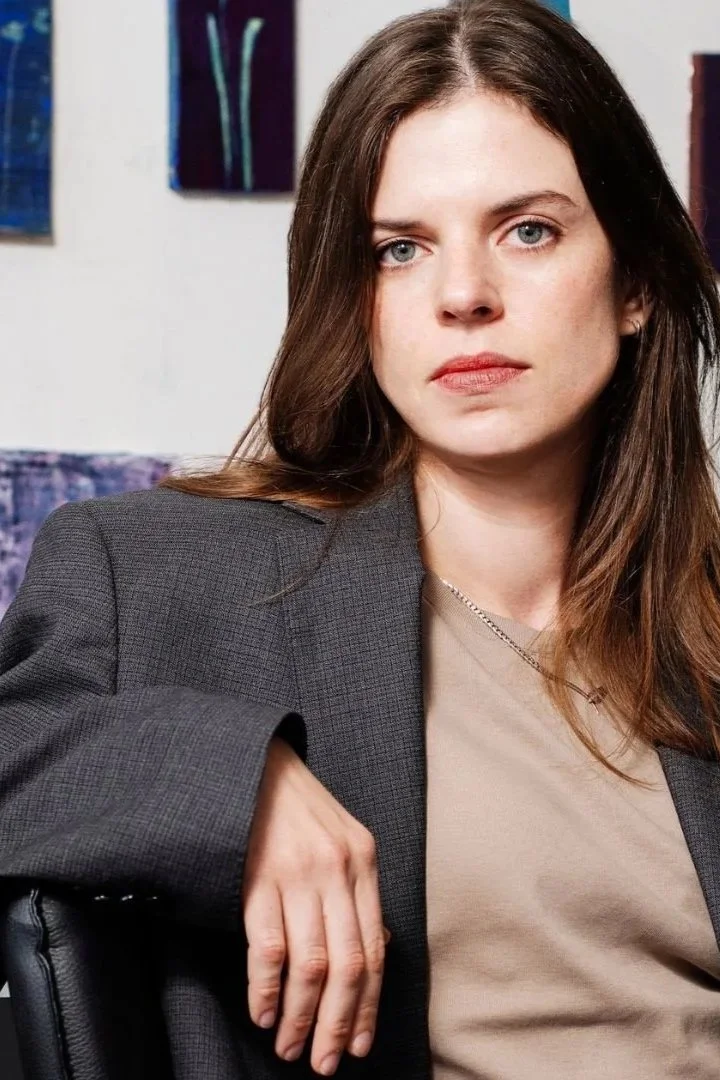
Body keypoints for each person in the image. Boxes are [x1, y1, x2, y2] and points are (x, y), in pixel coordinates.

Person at [1, 0, 720, 1076]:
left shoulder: (703, 621)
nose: (464, 296)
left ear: (638, 283)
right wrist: (237, 785)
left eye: (529, 230)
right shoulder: (159, 571)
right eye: (399, 250)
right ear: (354, 297)